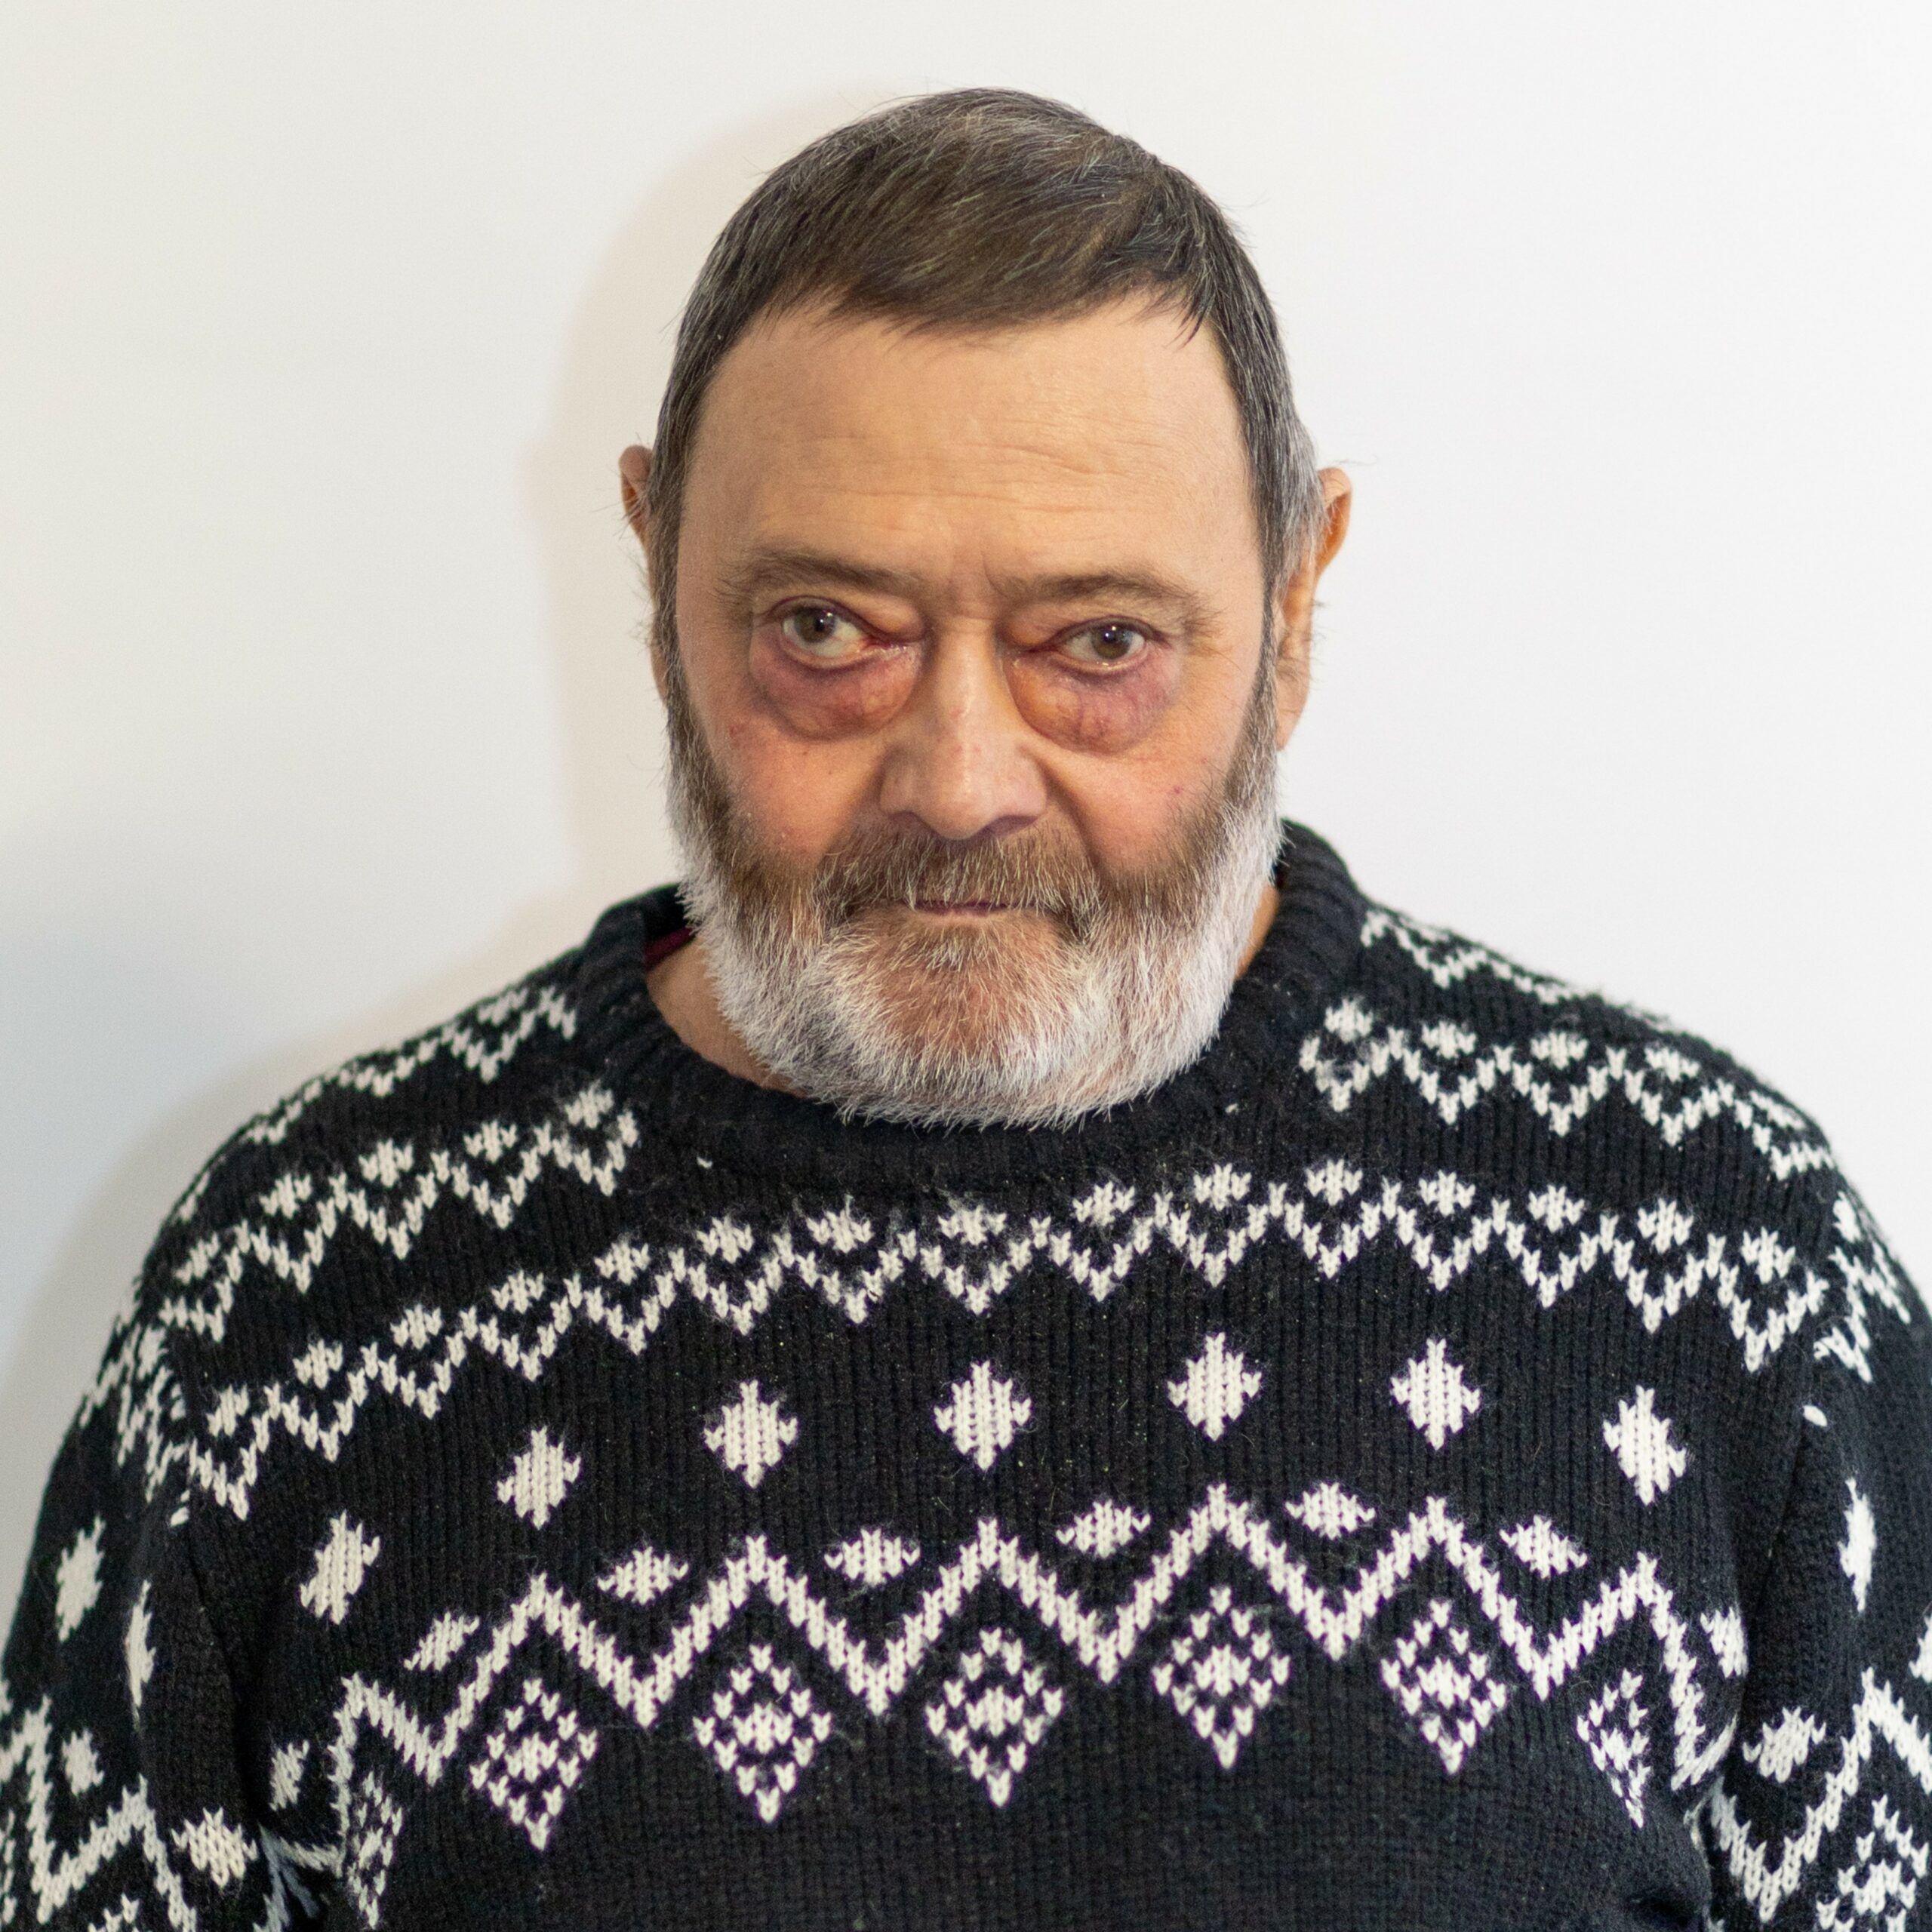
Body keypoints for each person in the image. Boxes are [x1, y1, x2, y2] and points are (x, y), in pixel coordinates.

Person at [2, 87, 1925, 1932]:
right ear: (655, 573)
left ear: (1294, 607)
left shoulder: (1710, 1254)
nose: (959, 781)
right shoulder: (302, 1299)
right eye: (826, 631)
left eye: (1098, 643)